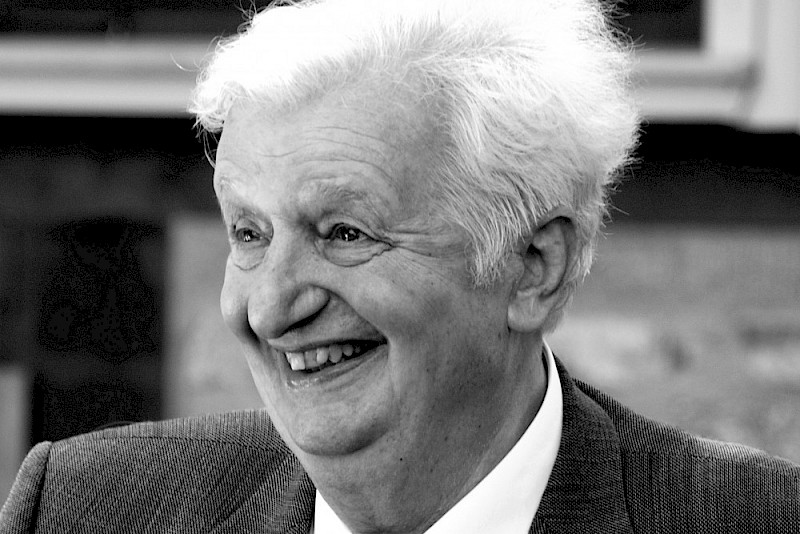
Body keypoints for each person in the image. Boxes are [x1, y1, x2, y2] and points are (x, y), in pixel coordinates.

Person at [2, 0, 799, 532]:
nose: (270, 307)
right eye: (249, 233)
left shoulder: (756, 518)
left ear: (533, 268)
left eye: (344, 233)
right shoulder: (82, 508)